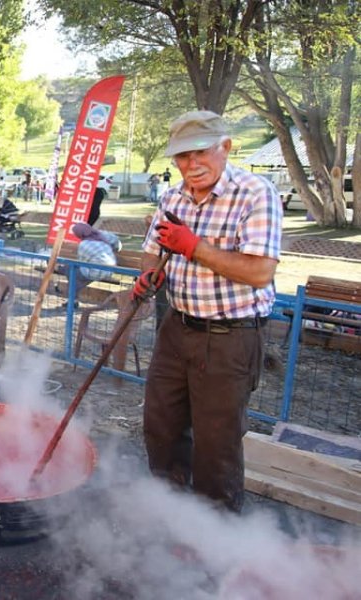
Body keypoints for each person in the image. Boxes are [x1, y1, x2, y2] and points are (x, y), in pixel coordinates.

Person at [132, 110, 282, 513]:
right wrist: (149, 277)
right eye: (182, 157)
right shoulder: (172, 197)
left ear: (226, 147)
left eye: (201, 153)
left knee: (216, 443)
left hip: (230, 336)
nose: (191, 165)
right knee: (161, 427)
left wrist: (193, 246)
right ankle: (171, 514)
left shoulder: (255, 193)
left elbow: (260, 271)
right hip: (176, 327)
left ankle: (217, 535)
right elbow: (152, 253)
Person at [70, 223, 121, 300]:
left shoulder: (84, 244)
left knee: (71, 271)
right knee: (74, 274)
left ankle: (72, 300)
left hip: (97, 272)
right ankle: (74, 298)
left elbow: (82, 263)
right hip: (110, 270)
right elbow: (118, 244)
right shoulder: (102, 235)